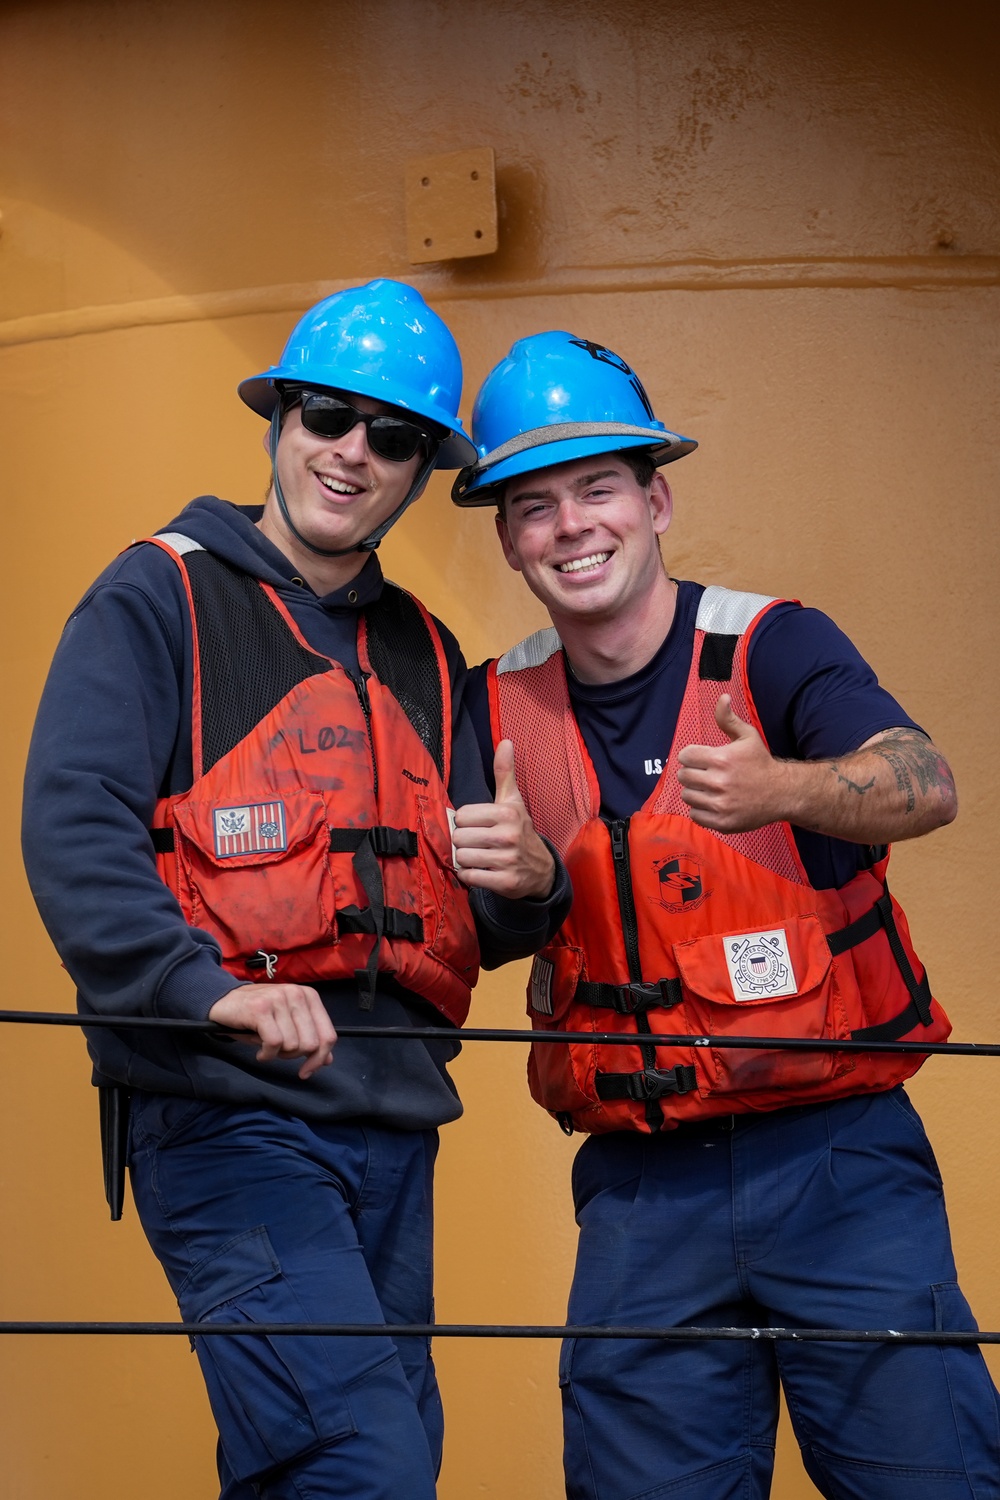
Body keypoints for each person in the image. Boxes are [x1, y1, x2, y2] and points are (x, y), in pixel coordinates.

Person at [21, 280, 569, 1500]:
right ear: (278, 417)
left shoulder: (427, 653)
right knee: (353, 1467)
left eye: (394, 438)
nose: (352, 454)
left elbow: (467, 907)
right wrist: (200, 991)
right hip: (230, 1120)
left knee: (348, 1465)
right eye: (329, 415)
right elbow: (72, 827)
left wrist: (530, 888)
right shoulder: (154, 597)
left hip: (395, 1132)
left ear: (424, 468)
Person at [453, 331, 1000, 1500]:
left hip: (841, 1165)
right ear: (506, 537)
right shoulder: (489, 704)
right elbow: (487, 938)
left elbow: (928, 781)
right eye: (534, 505)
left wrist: (783, 790)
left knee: (932, 1478)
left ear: (655, 500)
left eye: (598, 488)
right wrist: (522, 887)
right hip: (642, 1190)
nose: (571, 527)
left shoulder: (775, 644)